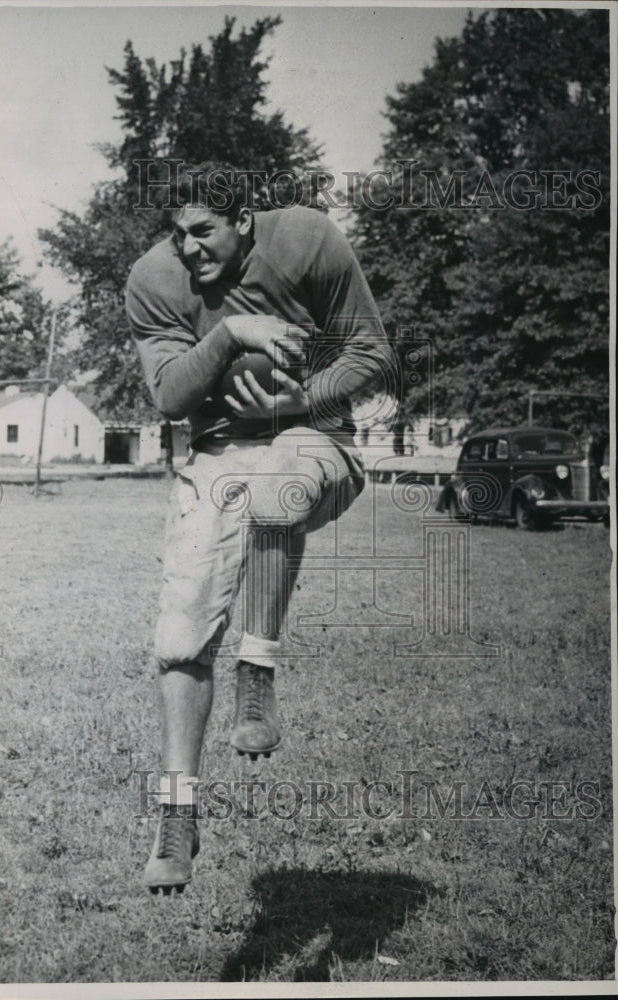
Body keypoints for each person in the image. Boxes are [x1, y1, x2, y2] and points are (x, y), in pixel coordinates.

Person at [125, 165, 394, 893]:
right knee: (178, 642)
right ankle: (176, 817)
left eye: (202, 230)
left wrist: (288, 405)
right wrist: (231, 334)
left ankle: (258, 671)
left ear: (244, 218)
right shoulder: (154, 278)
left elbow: (373, 354)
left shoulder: (306, 238)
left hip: (314, 439)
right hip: (217, 450)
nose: (187, 247)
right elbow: (171, 396)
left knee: (277, 493)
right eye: (176, 233)